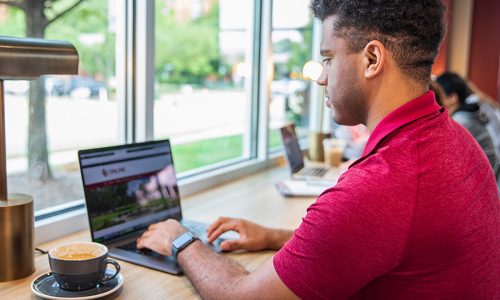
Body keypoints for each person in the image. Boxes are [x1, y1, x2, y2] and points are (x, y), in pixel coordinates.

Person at [137, 1, 500, 298]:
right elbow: (380, 242)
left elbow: (239, 296)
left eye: (328, 58)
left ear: (372, 59)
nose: (322, 76)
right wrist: (276, 237)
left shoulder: (382, 185)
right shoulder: (454, 140)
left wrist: (181, 239)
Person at [436, 72, 500, 178]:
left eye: (439, 96)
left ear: (452, 97)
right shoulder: (467, 113)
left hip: (485, 180)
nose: (437, 102)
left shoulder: (461, 121)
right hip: (491, 175)